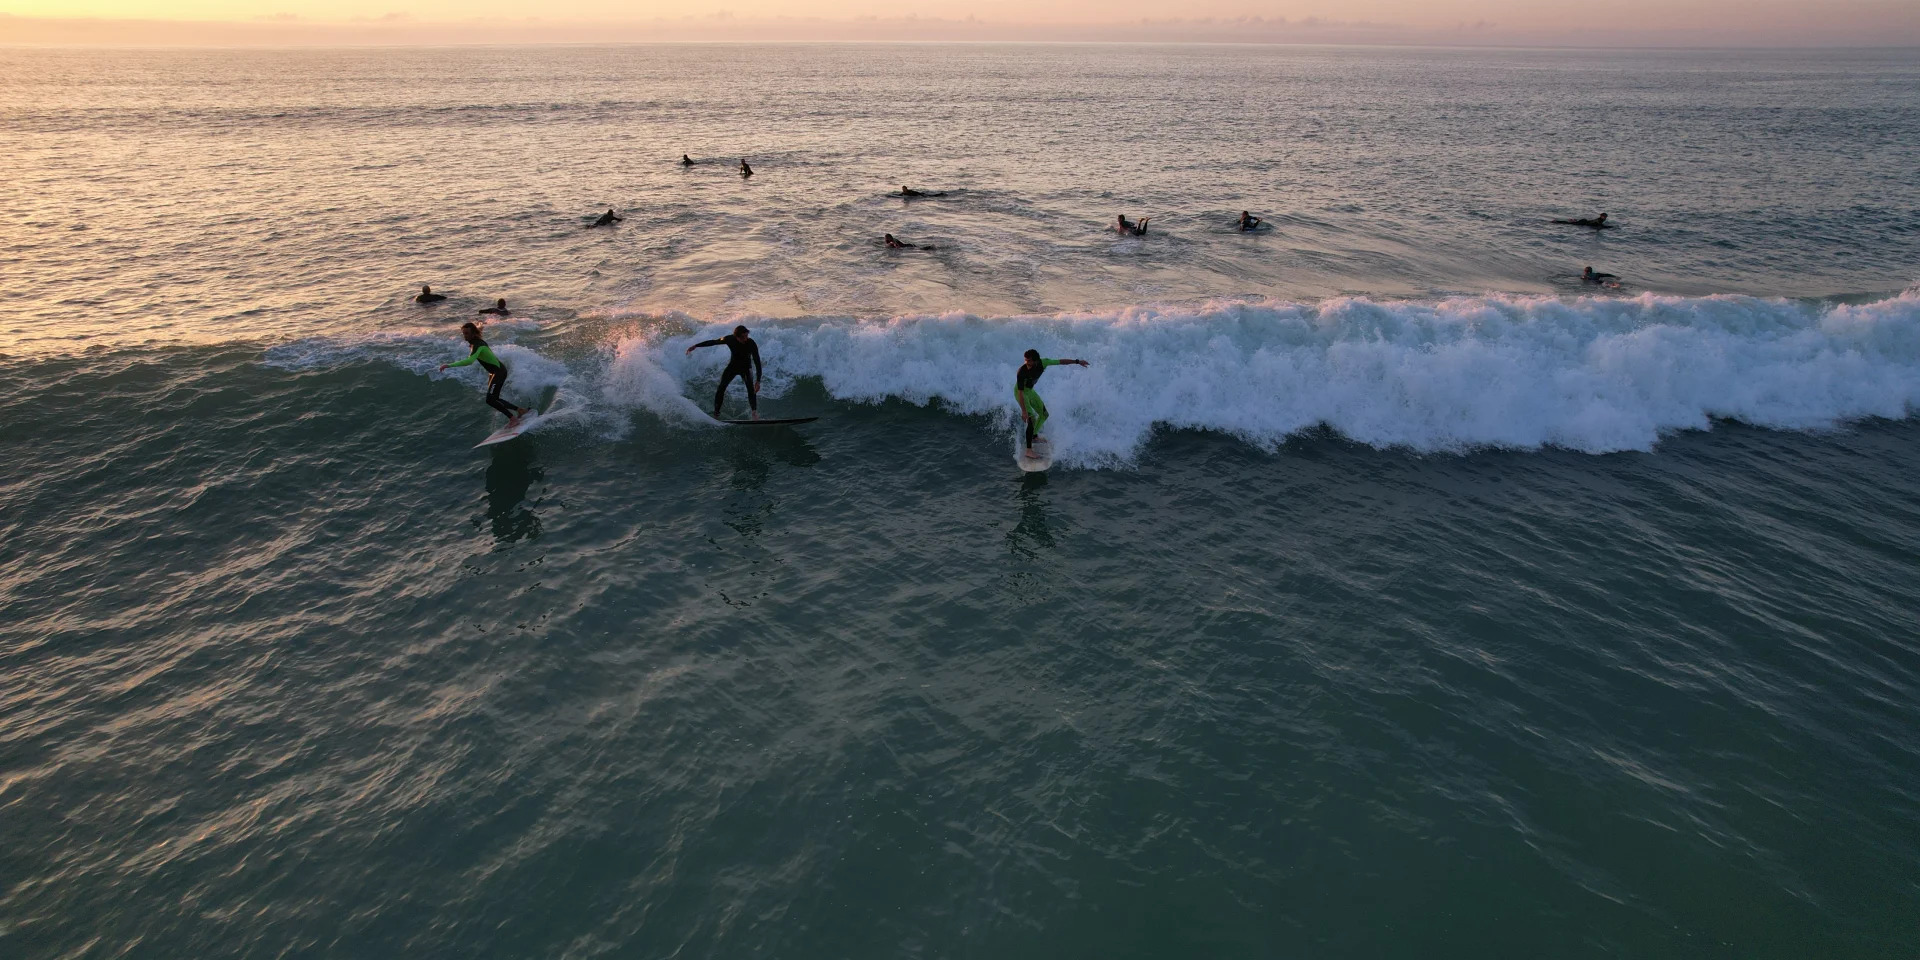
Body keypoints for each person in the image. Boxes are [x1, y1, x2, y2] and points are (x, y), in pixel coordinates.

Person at [440, 322, 528, 423]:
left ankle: (513, 419)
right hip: (496, 372)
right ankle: (520, 410)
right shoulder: (476, 342)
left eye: (467, 333)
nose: (465, 336)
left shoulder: (477, 344)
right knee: (494, 399)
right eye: (463, 333)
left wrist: (449, 365)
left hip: (498, 372)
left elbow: (470, 361)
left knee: (490, 400)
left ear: (473, 333)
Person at [1015, 349, 1090, 457]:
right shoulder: (1021, 371)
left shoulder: (1043, 362)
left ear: (1036, 361)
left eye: (1029, 361)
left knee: (1044, 414)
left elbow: (1060, 362)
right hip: (1020, 392)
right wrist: (1023, 411)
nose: (1026, 363)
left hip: (1030, 391)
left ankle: (1034, 436)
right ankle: (1028, 450)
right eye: (1025, 360)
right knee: (1032, 418)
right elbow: (1020, 393)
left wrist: (1077, 361)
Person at [686, 325, 763, 420]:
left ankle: (754, 413)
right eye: (743, 337)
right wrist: (696, 346)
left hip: (746, 368)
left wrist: (758, 381)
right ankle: (716, 414)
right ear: (736, 337)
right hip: (733, 367)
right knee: (721, 388)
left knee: (751, 389)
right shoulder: (729, 339)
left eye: (747, 336)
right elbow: (714, 342)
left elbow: (757, 362)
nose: (746, 339)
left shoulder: (751, 343)